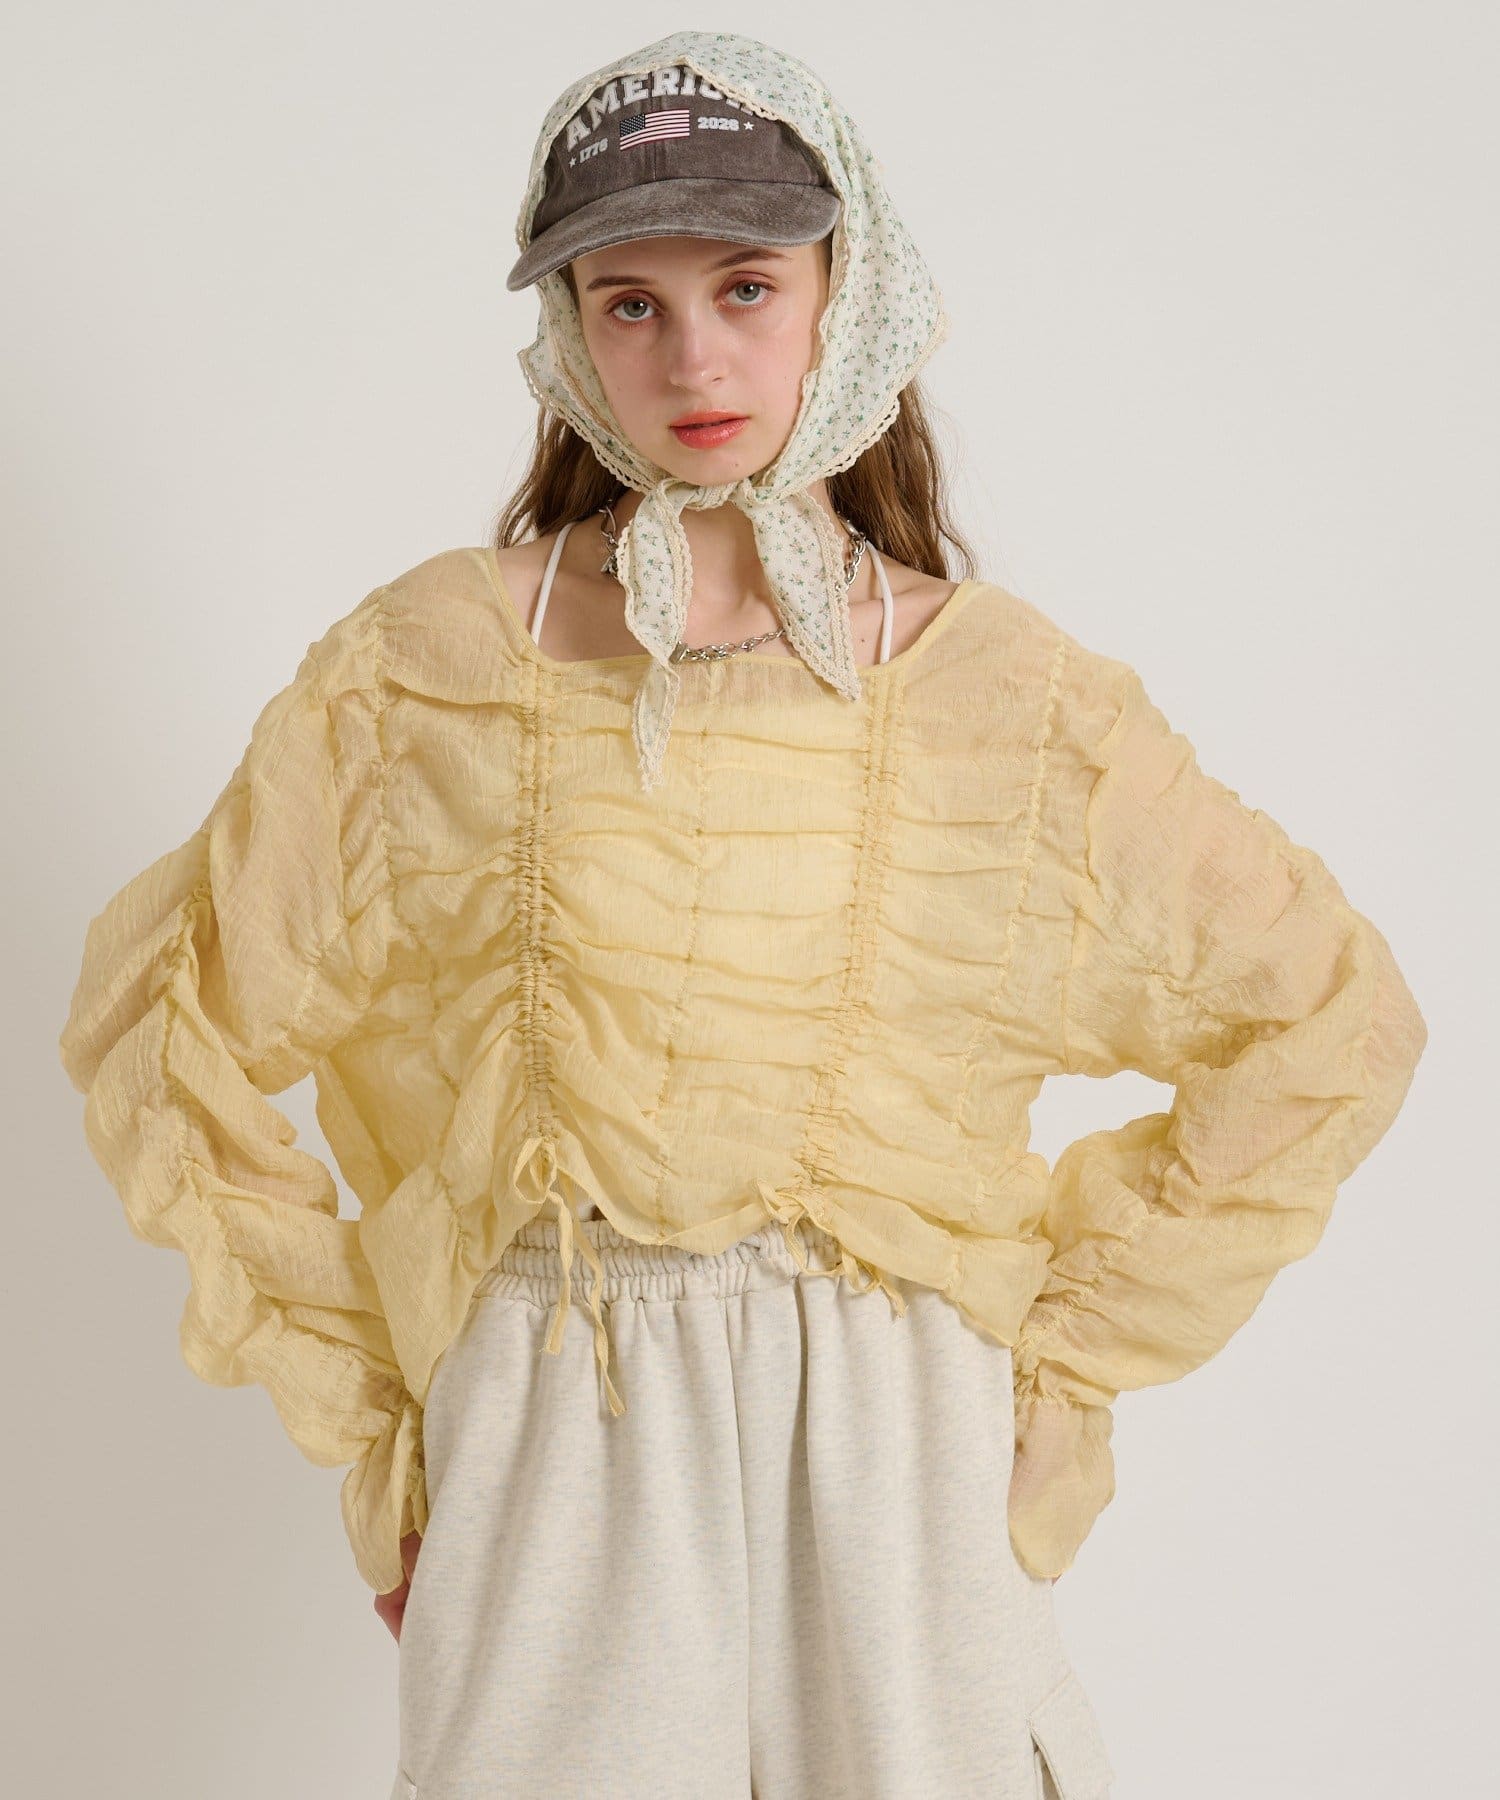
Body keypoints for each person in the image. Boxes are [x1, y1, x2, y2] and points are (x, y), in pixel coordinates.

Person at [57, 30, 1428, 1800]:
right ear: (569, 334)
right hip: (560, 1428)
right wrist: (381, 1428)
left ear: (847, 293)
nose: (694, 358)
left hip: (896, 1443)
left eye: (748, 287)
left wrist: (1066, 1366)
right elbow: (168, 1027)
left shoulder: (1005, 699)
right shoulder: (427, 670)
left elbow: (1326, 1015)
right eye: (628, 303)